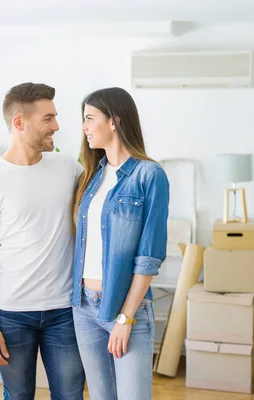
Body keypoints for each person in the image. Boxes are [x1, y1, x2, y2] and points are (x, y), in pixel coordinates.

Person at [0, 82, 86, 400]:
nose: (57, 126)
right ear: (20, 123)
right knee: (17, 396)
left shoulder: (68, 168)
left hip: (64, 311)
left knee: (71, 396)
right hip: (11, 314)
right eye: (48, 118)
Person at [71, 87, 170, 400]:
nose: (84, 127)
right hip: (84, 307)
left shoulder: (149, 175)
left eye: (89, 118)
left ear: (113, 121)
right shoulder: (90, 177)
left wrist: (125, 317)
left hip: (127, 308)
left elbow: (148, 257)